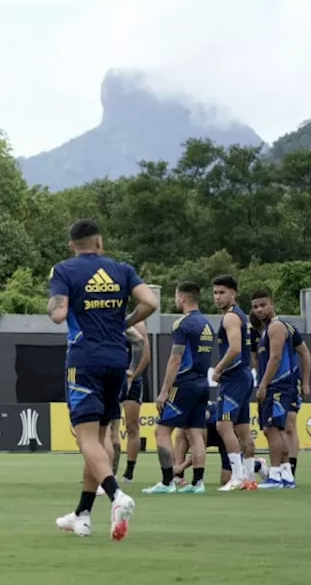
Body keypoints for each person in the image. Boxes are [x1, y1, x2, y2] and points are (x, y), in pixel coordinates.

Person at [48, 220, 156, 541]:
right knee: (103, 433)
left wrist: (56, 302)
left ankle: (117, 496)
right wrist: (126, 320)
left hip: (84, 360)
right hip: (116, 360)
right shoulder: (121, 269)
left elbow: (58, 314)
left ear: (72, 246)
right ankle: (82, 514)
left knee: (85, 439)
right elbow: (150, 302)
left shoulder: (64, 270)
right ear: (100, 242)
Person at [143, 282, 213, 495]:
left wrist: (164, 391)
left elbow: (175, 359)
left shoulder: (182, 324)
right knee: (195, 434)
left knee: (162, 431)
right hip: (203, 384)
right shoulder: (206, 323)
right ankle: (198, 483)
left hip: (184, 385)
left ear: (182, 298)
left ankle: (166, 482)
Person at [253, 288, 308, 490]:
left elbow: (275, 358)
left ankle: (275, 475)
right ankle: (285, 474)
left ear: (272, 304)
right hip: (279, 386)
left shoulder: (276, 327)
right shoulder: (267, 330)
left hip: (278, 386)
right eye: (255, 307)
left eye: (263, 305)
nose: (259, 310)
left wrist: (263, 385)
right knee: (276, 429)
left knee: (272, 429)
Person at [208, 275, 257, 491]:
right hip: (244, 375)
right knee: (243, 428)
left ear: (233, 293)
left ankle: (237, 476)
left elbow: (235, 348)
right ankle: (249, 477)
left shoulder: (230, 317)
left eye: (222, 293)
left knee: (222, 424)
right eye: (215, 293)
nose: (218, 297)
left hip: (234, 377)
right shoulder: (241, 316)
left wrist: (218, 369)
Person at [119, 324, 150, 485]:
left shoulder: (138, 324)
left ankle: (129, 472)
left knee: (131, 426)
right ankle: (105, 471)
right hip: (111, 375)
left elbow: (146, 356)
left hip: (132, 379)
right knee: (107, 426)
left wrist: (132, 376)